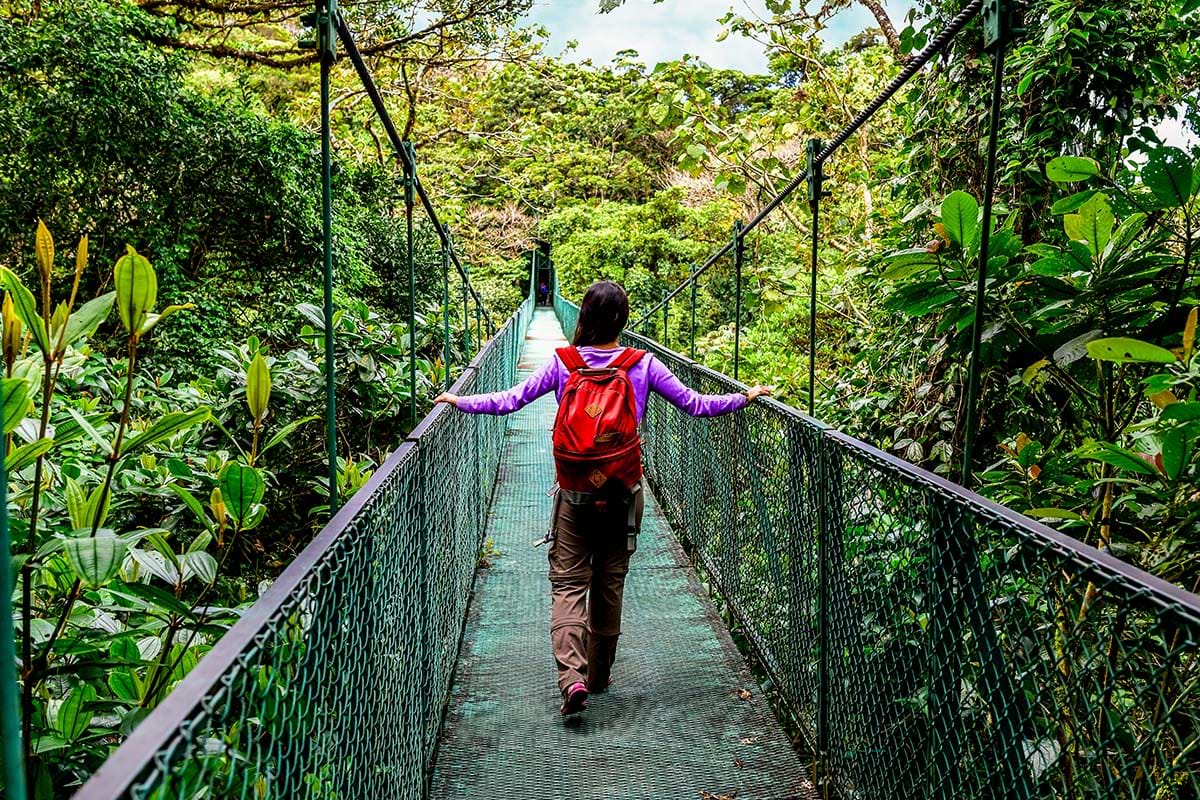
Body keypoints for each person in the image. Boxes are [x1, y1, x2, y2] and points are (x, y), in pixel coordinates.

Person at [435, 281, 770, 716]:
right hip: (623, 491)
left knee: (570, 584)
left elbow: (512, 399)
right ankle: (598, 676)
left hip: (574, 493)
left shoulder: (563, 363)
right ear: (623, 319)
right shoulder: (643, 364)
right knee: (609, 582)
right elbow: (695, 404)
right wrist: (743, 398)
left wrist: (460, 401)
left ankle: (571, 679)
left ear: (585, 317)